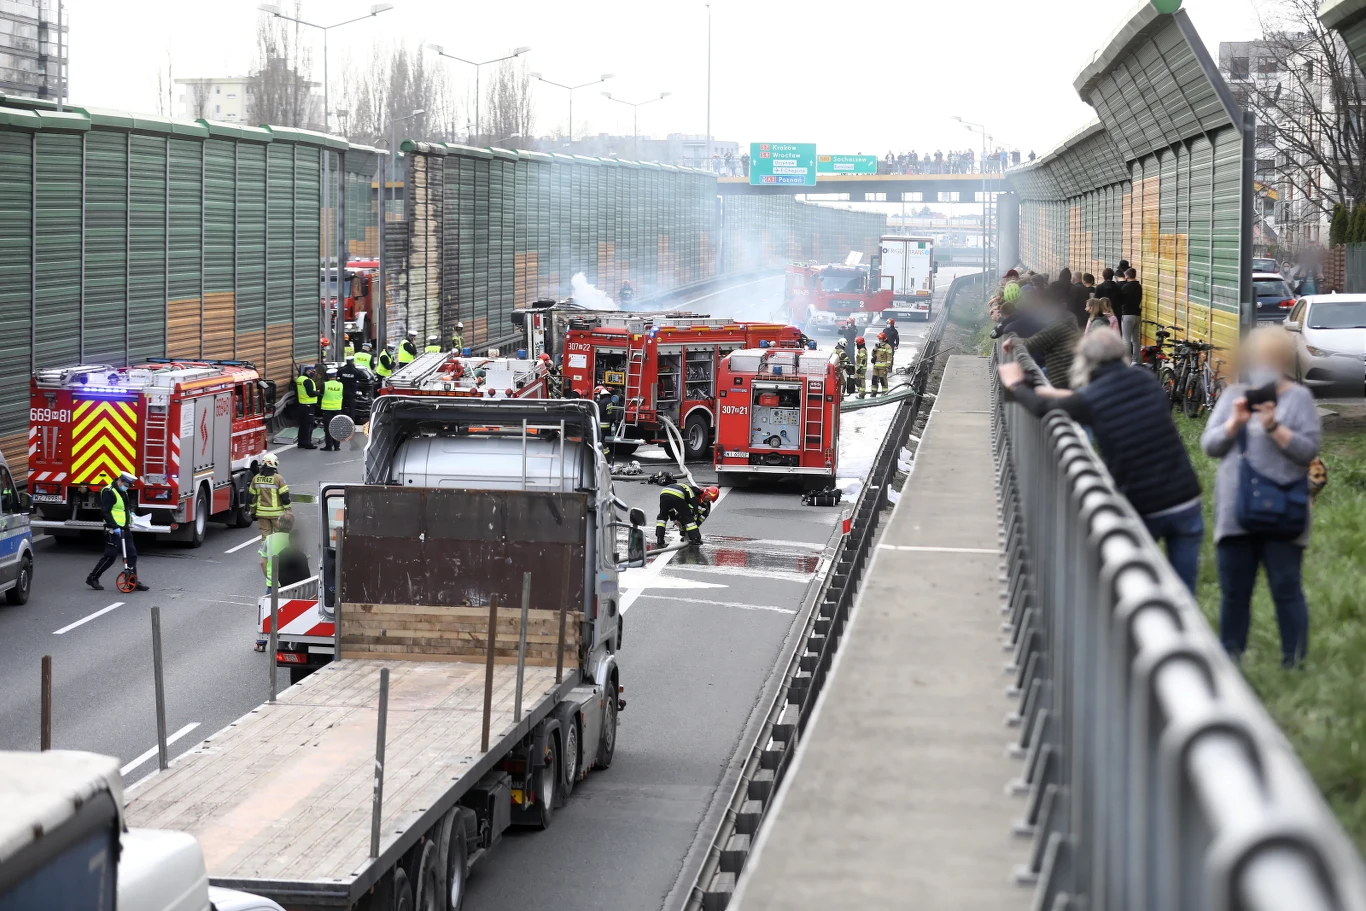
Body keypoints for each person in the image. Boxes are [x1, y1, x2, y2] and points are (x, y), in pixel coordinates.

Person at [997, 329, 1204, 593]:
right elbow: (1092, 400)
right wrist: (1045, 391)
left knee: (1135, 584)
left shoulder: (1092, 399)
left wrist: (1015, 383)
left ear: (1085, 360)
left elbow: (1042, 409)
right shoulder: (1145, 379)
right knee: (1184, 590)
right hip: (1186, 498)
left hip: (1145, 504)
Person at [1200, 327, 1321, 668]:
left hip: (1284, 512)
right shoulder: (1233, 396)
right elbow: (1209, 446)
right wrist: (1234, 423)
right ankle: (1230, 661)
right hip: (1235, 512)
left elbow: (1308, 450)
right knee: (1234, 593)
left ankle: (1294, 662)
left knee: (1286, 588)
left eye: (1272, 358)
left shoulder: (1299, 399)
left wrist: (1274, 427)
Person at [86, 471, 149, 592]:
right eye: (126, 484)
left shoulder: (122, 490)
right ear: (119, 481)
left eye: (129, 485)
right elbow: (105, 511)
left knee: (132, 555)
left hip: (124, 528)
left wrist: (131, 516)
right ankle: (93, 577)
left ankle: (132, 581)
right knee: (110, 556)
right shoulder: (109, 491)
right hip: (113, 529)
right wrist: (114, 526)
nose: (127, 487)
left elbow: (122, 509)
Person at [256, 511, 310, 649]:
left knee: (268, 612)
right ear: (292, 526)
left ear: (278, 524)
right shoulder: (295, 541)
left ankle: (261, 643)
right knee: (290, 613)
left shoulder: (269, 539)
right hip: (292, 585)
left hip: (272, 583)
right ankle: (287, 641)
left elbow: (262, 562)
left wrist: (268, 576)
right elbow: (304, 560)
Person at [1020, 292, 1082, 388]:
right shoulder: (1070, 317)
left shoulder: (1057, 326)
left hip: (1060, 374)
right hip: (1069, 370)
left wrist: (1014, 342)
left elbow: (1031, 343)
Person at [656, 482, 719, 547]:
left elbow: (670, 508)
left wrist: (674, 519)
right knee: (688, 517)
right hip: (678, 495)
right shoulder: (693, 495)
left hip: (664, 492)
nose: (707, 499)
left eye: (709, 499)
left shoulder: (688, 490)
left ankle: (659, 539)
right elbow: (691, 514)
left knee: (662, 517)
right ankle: (695, 539)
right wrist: (691, 530)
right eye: (707, 497)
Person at [247, 453, 291, 537]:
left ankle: (265, 550)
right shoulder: (279, 479)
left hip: (262, 514)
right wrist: (288, 511)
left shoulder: (256, 478)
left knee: (265, 536)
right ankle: (278, 550)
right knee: (279, 536)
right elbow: (285, 498)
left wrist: (253, 512)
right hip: (277, 514)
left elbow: (250, 498)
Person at [1119, 267, 1144, 364]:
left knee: (1126, 339)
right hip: (1137, 314)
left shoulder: (1125, 287)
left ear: (1127, 276)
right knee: (1135, 339)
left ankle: (1127, 360)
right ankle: (1135, 360)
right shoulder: (1139, 286)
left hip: (1127, 314)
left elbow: (1121, 300)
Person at [319, 367, 344, 451]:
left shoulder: (324, 385)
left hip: (327, 409)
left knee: (328, 428)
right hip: (337, 408)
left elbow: (320, 395)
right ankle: (337, 446)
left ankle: (329, 446)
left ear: (328, 376)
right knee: (337, 427)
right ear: (335, 376)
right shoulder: (340, 385)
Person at [293, 365, 319, 450]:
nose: (313, 373)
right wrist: (318, 392)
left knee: (302, 425)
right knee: (308, 425)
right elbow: (310, 393)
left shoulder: (300, 379)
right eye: (313, 371)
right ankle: (307, 443)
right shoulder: (308, 381)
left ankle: (301, 442)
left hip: (301, 405)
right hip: (309, 405)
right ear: (308, 371)